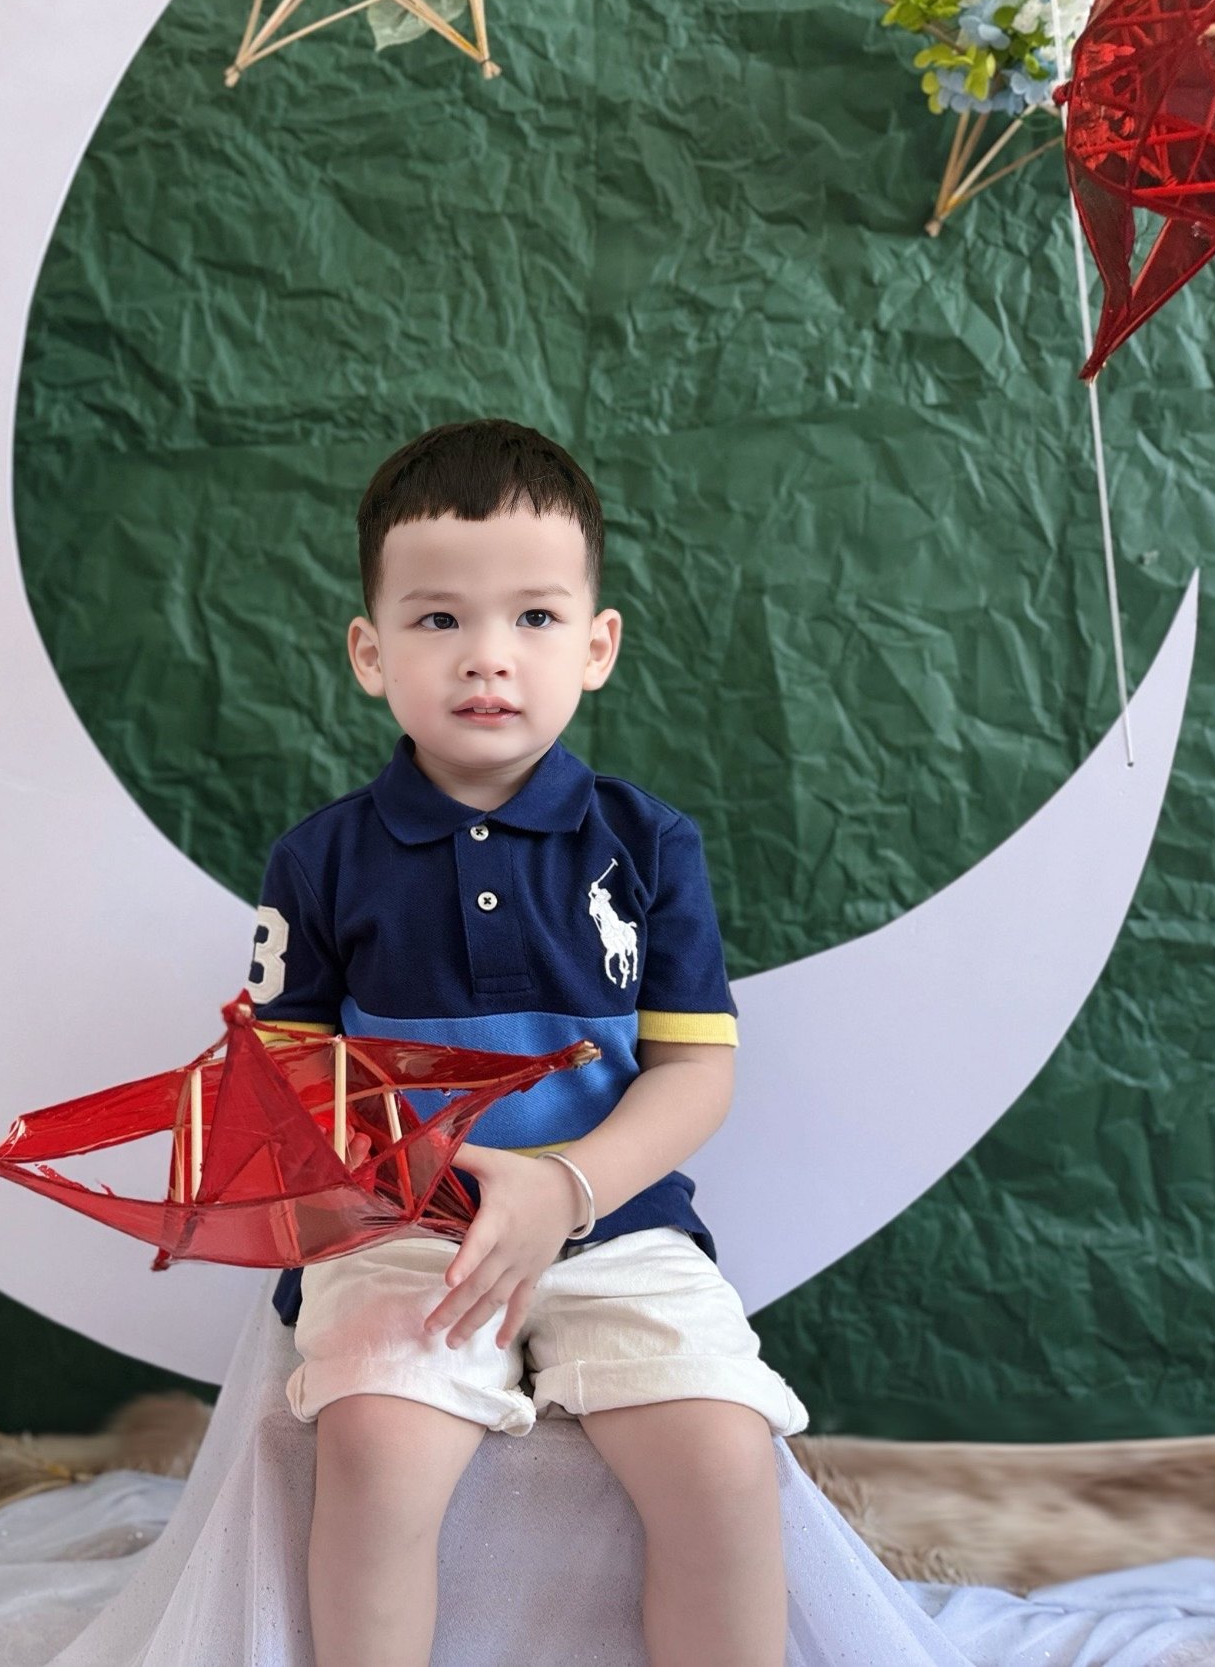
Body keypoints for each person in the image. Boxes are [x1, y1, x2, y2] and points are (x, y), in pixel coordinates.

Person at [244, 418, 809, 1667]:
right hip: (407, 1234)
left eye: (534, 617)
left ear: (596, 646)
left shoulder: (648, 845)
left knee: (721, 1461)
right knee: (377, 1453)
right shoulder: (319, 859)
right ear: (368, 652)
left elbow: (695, 1071)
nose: (486, 655)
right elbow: (284, 1077)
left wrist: (563, 1187)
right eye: (438, 619)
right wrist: (422, 1177)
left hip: (618, 1222)